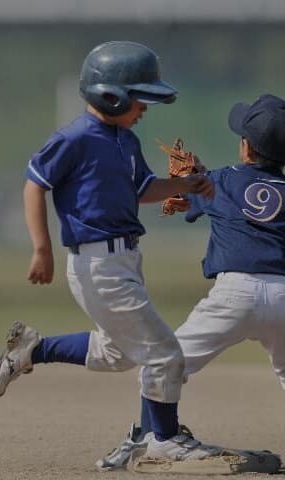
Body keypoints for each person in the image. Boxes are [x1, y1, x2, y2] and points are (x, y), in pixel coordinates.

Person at [0, 41, 221, 467]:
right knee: (166, 353)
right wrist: (41, 247)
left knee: (118, 354)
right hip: (98, 262)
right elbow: (34, 183)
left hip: (125, 260)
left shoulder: (126, 140)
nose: (145, 108)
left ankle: (31, 350)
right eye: (140, 98)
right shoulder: (73, 138)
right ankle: (165, 439)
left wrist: (187, 185)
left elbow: (144, 190)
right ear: (110, 95)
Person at [98, 93, 285, 470]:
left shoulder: (220, 180)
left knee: (165, 364)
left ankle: (147, 437)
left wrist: (191, 176)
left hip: (234, 295)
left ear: (245, 147)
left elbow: (193, 192)